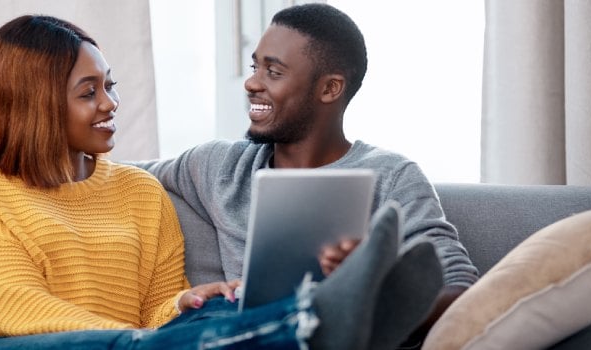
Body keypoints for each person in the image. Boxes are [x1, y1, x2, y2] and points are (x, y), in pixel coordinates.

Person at [0, 14, 444, 350]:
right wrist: (143, 338)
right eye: (89, 92)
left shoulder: (140, 191)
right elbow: (15, 305)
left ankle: (325, 315)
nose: (111, 105)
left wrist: (187, 303)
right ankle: (315, 321)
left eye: (111, 86)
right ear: (34, 105)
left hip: (137, 344)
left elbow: (157, 308)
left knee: (216, 307)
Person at [130, 3, 480, 346]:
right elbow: (115, 177)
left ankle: (359, 304)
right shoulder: (218, 165)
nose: (251, 83)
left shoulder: (391, 175)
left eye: (273, 72)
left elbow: (460, 287)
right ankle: (334, 310)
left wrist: (382, 289)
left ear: (330, 88)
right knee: (211, 316)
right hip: (245, 332)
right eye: (254, 67)